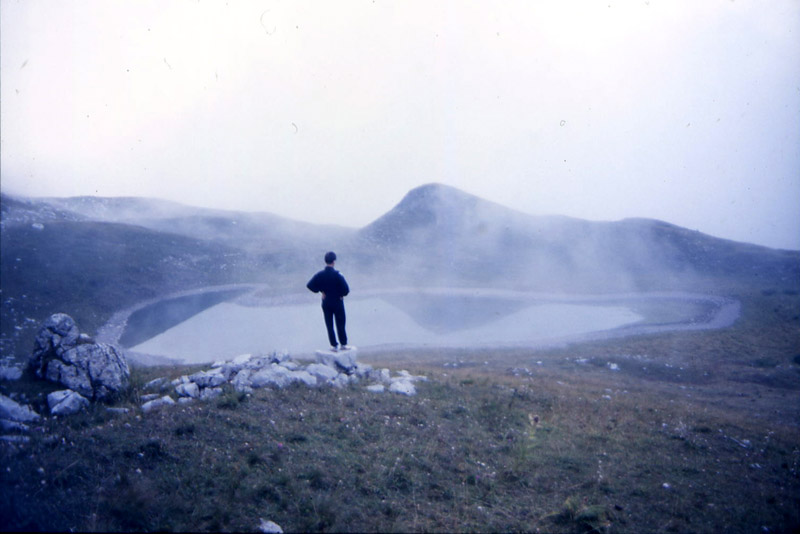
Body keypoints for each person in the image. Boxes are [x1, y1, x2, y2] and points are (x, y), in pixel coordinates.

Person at [306, 251, 350, 351]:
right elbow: (346, 290)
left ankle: (334, 345)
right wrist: (341, 294)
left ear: (325, 261)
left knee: (329, 324)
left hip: (326, 302)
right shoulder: (338, 274)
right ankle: (343, 344)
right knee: (340, 323)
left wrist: (321, 291)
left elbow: (310, 285)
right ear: (334, 261)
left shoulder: (320, 274)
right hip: (337, 302)